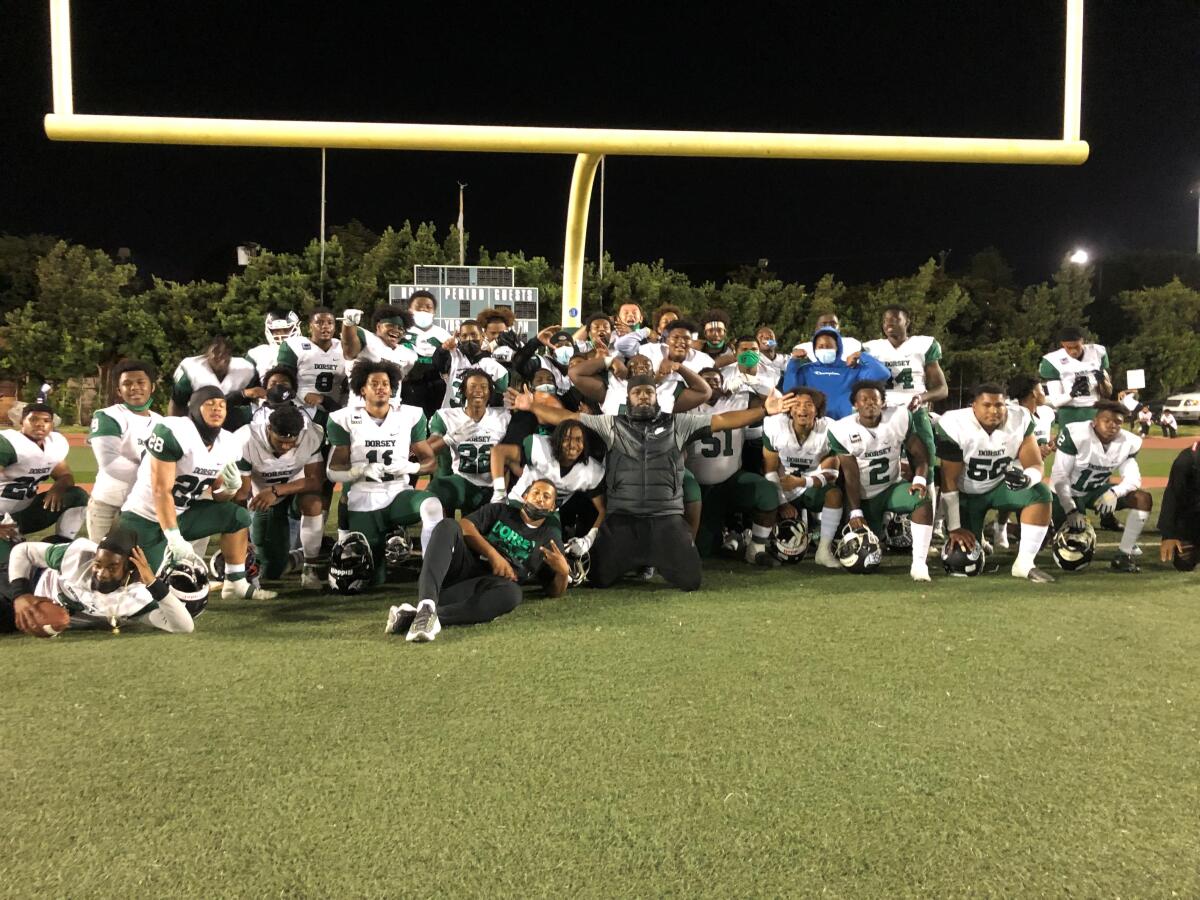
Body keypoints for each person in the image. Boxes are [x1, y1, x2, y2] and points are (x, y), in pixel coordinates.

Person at [513, 374, 796, 591]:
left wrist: (764, 411)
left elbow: (723, 420)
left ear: (656, 397)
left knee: (690, 581)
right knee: (599, 579)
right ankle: (639, 558)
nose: (644, 397)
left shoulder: (679, 423)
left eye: (649, 392)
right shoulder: (612, 424)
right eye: (638, 393)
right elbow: (568, 417)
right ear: (629, 398)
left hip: (665, 518)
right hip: (623, 517)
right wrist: (532, 406)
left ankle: (654, 555)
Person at [117, 387, 274, 599]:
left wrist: (228, 488)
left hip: (182, 513)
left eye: (221, 405)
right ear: (195, 408)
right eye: (209, 404)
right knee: (143, 591)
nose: (217, 409)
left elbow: (219, 497)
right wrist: (173, 537)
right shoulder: (174, 431)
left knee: (237, 516)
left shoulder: (228, 442)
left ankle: (235, 583)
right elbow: (161, 490)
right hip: (143, 518)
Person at [385, 479, 569, 643]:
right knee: (448, 525)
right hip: (464, 568)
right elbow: (465, 525)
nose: (540, 498)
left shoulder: (549, 537)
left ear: (553, 507)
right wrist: (492, 554)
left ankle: (424, 617)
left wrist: (563, 572)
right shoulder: (500, 510)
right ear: (525, 496)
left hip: (490, 586)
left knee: (513, 594)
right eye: (536, 493)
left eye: (547, 496)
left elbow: (554, 592)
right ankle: (426, 603)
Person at [325, 360, 442, 586]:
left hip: (399, 493)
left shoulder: (410, 415)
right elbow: (332, 471)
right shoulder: (344, 418)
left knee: (432, 505)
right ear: (362, 389)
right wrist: (359, 470)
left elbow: (431, 463)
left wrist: (411, 467)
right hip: (364, 497)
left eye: (386, 384)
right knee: (372, 578)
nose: (381, 388)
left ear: (392, 388)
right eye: (374, 383)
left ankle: (431, 573)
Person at [935, 384, 1056, 583]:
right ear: (973, 406)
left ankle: (1025, 564)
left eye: (999, 405)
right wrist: (954, 527)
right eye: (987, 405)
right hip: (967, 494)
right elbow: (949, 480)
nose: (994, 410)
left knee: (1040, 493)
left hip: (999, 486)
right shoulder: (954, 423)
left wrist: (1028, 478)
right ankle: (979, 536)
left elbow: (1035, 463)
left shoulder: (1020, 418)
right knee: (962, 559)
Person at [830, 382, 935, 581]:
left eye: (874, 399)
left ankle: (919, 564)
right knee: (865, 554)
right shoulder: (841, 429)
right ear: (855, 404)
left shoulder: (899, 418)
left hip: (891, 487)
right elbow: (850, 476)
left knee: (922, 501)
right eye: (864, 400)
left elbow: (920, 455)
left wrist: (919, 479)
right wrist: (855, 512)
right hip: (863, 494)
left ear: (883, 403)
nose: (870, 403)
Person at [2, 527, 194, 636]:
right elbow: (23, 551)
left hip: (45, 610)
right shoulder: (78, 555)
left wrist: (153, 583)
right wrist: (21, 594)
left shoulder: (135, 597)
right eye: (98, 564)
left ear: (129, 567)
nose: (101, 573)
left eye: (112, 567)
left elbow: (183, 627)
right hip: (34, 580)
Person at [685, 368, 780, 565]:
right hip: (698, 487)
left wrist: (751, 380)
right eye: (706, 380)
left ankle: (756, 549)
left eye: (716, 380)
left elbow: (773, 402)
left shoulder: (737, 400)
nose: (712, 384)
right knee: (703, 549)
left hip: (731, 480)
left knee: (768, 491)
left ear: (724, 384)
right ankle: (726, 535)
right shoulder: (685, 406)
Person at [1050, 401, 1151, 572]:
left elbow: (1133, 479)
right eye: (1107, 421)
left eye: (1118, 422)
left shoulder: (1129, 442)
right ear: (1095, 421)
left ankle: (1124, 554)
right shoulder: (1076, 434)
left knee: (1142, 499)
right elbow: (1060, 477)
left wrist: (1113, 492)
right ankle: (1048, 528)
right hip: (1066, 493)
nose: (1113, 426)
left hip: (1095, 491)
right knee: (1072, 549)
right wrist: (1071, 509)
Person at [0, 403, 89, 597]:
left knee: (76, 495)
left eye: (46, 421)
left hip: (23, 514)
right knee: (10, 578)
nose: (40, 425)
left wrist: (57, 487)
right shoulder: (8, 444)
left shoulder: (54, 444)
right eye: (33, 419)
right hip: (1, 520)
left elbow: (65, 475)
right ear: (21, 421)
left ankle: (59, 546)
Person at [232, 404, 326, 586]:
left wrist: (276, 491)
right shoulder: (246, 439)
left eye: (291, 441)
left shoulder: (310, 435)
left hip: (293, 491)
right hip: (261, 500)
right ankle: (297, 557)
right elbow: (241, 495)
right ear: (269, 429)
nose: (285, 446)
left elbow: (315, 480)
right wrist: (243, 540)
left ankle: (310, 567)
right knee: (271, 571)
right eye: (280, 440)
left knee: (313, 502)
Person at [761, 387, 843, 567]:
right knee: (763, 496)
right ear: (789, 408)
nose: (802, 409)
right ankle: (757, 546)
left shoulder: (830, 429)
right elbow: (770, 470)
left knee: (834, 494)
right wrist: (782, 503)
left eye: (808, 405)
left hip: (810, 485)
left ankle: (823, 550)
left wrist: (801, 482)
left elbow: (831, 474)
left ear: (818, 410)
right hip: (781, 487)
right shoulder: (774, 425)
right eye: (796, 404)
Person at [862, 305, 948, 469]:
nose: (889, 324)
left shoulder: (922, 345)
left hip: (915, 412)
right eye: (886, 320)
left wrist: (921, 397)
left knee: (926, 461)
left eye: (895, 319)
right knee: (878, 463)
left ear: (907, 322)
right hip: (882, 414)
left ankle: (927, 490)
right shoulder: (871, 348)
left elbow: (942, 389)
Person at [86, 359, 163, 542]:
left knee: (141, 564)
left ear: (152, 387)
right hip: (109, 504)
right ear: (119, 391)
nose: (135, 387)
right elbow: (110, 462)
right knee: (102, 564)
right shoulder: (108, 415)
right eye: (127, 384)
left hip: (143, 509)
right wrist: (155, 479)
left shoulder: (162, 423)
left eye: (140, 382)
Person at [505, 419, 606, 549]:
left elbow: (602, 509)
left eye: (578, 439)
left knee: (554, 549)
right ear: (557, 440)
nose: (573, 445)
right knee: (507, 539)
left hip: (548, 514)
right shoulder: (540, 446)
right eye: (567, 439)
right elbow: (501, 453)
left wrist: (588, 540)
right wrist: (499, 493)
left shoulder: (590, 471)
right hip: (520, 503)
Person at [426, 370, 511, 518]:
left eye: (484, 386)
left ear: (490, 392)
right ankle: (440, 531)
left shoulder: (504, 416)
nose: (478, 390)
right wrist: (449, 439)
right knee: (437, 488)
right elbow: (426, 452)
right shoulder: (447, 416)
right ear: (464, 390)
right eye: (473, 386)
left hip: (492, 486)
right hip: (463, 483)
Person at [783, 327, 890, 420]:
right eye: (820, 346)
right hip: (815, 425)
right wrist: (793, 362)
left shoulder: (851, 368)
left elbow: (883, 374)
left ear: (838, 347)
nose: (825, 349)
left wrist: (861, 355)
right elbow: (789, 391)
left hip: (846, 425)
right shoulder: (806, 370)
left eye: (829, 346)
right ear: (814, 349)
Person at [171, 335, 261, 431]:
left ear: (230, 355)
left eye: (224, 353)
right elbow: (177, 405)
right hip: (198, 425)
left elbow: (254, 401)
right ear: (206, 354)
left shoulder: (246, 370)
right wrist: (176, 430)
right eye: (215, 352)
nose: (219, 356)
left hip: (234, 426)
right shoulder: (191, 371)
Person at [277, 306, 347, 416]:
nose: (325, 326)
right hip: (300, 410)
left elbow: (349, 386)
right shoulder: (294, 346)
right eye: (319, 322)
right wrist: (300, 396)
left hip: (334, 410)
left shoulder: (343, 348)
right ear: (310, 327)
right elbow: (283, 383)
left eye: (330, 322)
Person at [1039, 325, 1111, 426]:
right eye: (1069, 348)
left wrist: (1102, 381)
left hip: (1094, 409)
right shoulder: (1053, 360)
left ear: (1082, 341)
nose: (1073, 351)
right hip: (1069, 412)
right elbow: (1055, 402)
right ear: (1062, 344)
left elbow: (1108, 392)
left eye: (1077, 346)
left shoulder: (1098, 352)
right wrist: (1072, 394)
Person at [431, 319, 510, 407]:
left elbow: (501, 401)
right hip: (451, 416)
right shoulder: (453, 356)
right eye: (464, 336)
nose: (469, 339)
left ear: (482, 336)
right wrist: (443, 348)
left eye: (473, 334)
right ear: (459, 337)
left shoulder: (495, 367)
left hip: (480, 417)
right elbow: (437, 363)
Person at [340, 304, 419, 389]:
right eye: (390, 325)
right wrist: (349, 324)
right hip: (363, 401)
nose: (396, 330)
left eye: (400, 328)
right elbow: (349, 350)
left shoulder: (407, 354)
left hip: (392, 402)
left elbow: (404, 378)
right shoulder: (369, 340)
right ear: (378, 326)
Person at [400, 289, 452, 415]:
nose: (423, 310)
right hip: (409, 386)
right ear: (409, 311)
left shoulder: (443, 334)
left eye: (428, 307)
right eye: (418, 307)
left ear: (434, 312)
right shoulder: (401, 332)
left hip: (437, 386)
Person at [1158, 440, 1200, 571]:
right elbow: (1173, 495)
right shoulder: (1188, 459)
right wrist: (1169, 534)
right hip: (1194, 518)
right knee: (1184, 561)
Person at [248, 309, 301, 379]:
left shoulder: (307, 351)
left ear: (295, 329)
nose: (281, 335)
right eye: (276, 331)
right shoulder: (257, 354)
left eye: (286, 330)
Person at [791, 312, 862, 362]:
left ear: (839, 328)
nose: (828, 327)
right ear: (816, 328)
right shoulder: (803, 348)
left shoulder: (852, 343)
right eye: (823, 324)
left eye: (833, 324)